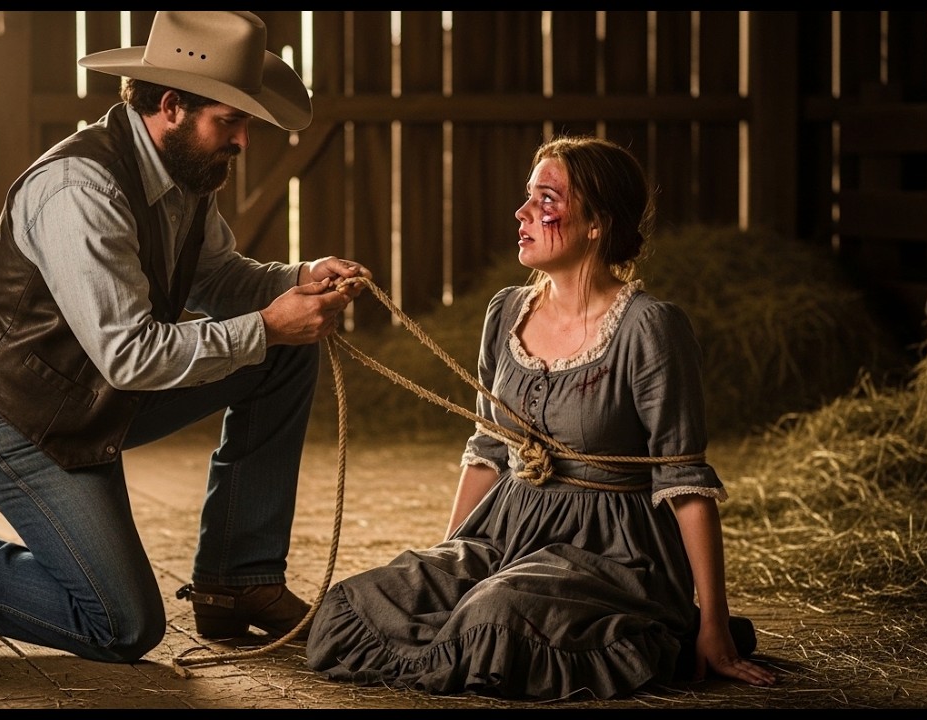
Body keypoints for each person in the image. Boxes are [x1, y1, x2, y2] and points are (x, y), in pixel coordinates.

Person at [0, 10, 371, 663]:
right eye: (231, 121)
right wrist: (267, 324)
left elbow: (214, 278)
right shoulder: (78, 189)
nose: (242, 140)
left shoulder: (184, 170)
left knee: (282, 356)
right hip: (21, 421)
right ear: (172, 106)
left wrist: (299, 279)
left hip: (103, 395)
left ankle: (238, 583)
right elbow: (130, 355)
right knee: (121, 626)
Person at [304, 134, 778, 699]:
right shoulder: (506, 311)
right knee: (362, 601)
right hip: (506, 529)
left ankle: (640, 634)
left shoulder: (649, 328)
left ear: (597, 223)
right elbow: (487, 450)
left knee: (495, 616)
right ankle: (463, 626)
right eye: (528, 196)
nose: (522, 212)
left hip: (612, 549)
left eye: (546, 200)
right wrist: (450, 560)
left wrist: (713, 626)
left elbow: (686, 483)